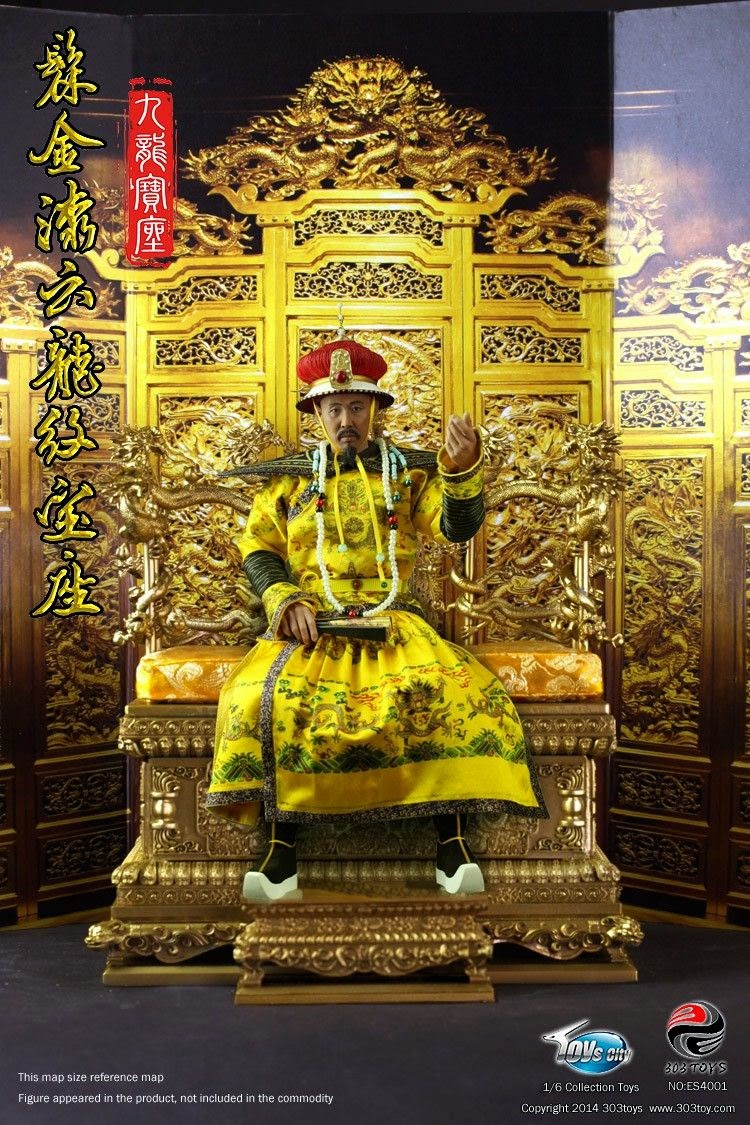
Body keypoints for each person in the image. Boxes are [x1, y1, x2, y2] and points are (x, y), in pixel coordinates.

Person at [205, 334, 545, 901]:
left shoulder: (406, 475)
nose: (347, 421)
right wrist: (284, 600)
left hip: (394, 623)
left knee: (448, 693)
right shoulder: (289, 482)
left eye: (357, 408)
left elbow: (455, 528)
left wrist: (461, 469)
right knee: (260, 698)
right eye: (335, 409)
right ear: (317, 413)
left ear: (375, 411)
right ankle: (280, 852)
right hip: (310, 624)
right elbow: (259, 548)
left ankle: (452, 846)